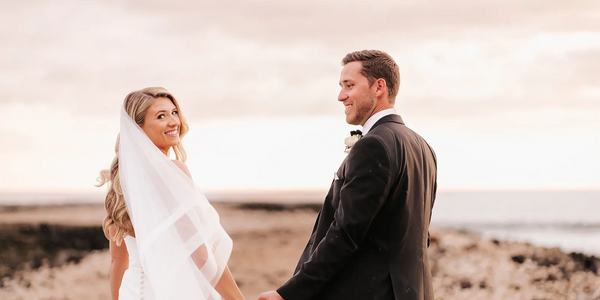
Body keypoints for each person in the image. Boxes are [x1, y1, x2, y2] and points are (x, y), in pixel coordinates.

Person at [257, 50, 438, 300]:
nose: (341, 96)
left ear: (379, 87)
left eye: (349, 86)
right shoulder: (423, 148)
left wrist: (288, 293)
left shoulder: (373, 145)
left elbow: (345, 234)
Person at [96, 87, 245, 300]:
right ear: (138, 128)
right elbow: (200, 252)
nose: (174, 121)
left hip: (132, 292)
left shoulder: (122, 181)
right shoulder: (174, 171)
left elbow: (118, 260)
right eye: (161, 116)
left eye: (174, 112)